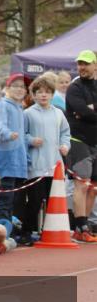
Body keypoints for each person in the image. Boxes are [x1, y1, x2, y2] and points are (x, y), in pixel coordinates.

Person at [20, 74, 70, 245]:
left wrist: (65, 146)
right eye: (39, 92)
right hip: (36, 166)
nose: (43, 95)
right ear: (33, 94)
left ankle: (50, 231)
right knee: (34, 200)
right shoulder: (28, 113)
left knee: (53, 201)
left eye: (47, 92)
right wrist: (31, 140)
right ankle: (27, 231)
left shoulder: (58, 113)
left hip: (55, 166)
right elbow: (22, 134)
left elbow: (65, 133)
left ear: (52, 94)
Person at [65, 50, 97, 242]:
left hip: (95, 141)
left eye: (86, 63)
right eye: (80, 64)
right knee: (82, 184)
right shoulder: (74, 87)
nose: (82, 67)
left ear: (95, 65)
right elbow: (82, 111)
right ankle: (80, 226)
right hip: (78, 141)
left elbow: (87, 113)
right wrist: (87, 112)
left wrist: (90, 112)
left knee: (93, 187)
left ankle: (87, 226)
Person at [0, 73, 28, 227]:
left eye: (23, 87)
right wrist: (8, 134)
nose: (20, 89)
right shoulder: (2, 104)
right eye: (16, 86)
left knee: (12, 199)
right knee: (5, 198)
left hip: (17, 161)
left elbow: (23, 137)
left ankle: (6, 230)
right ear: (7, 88)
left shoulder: (19, 108)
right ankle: (0, 229)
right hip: (5, 160)